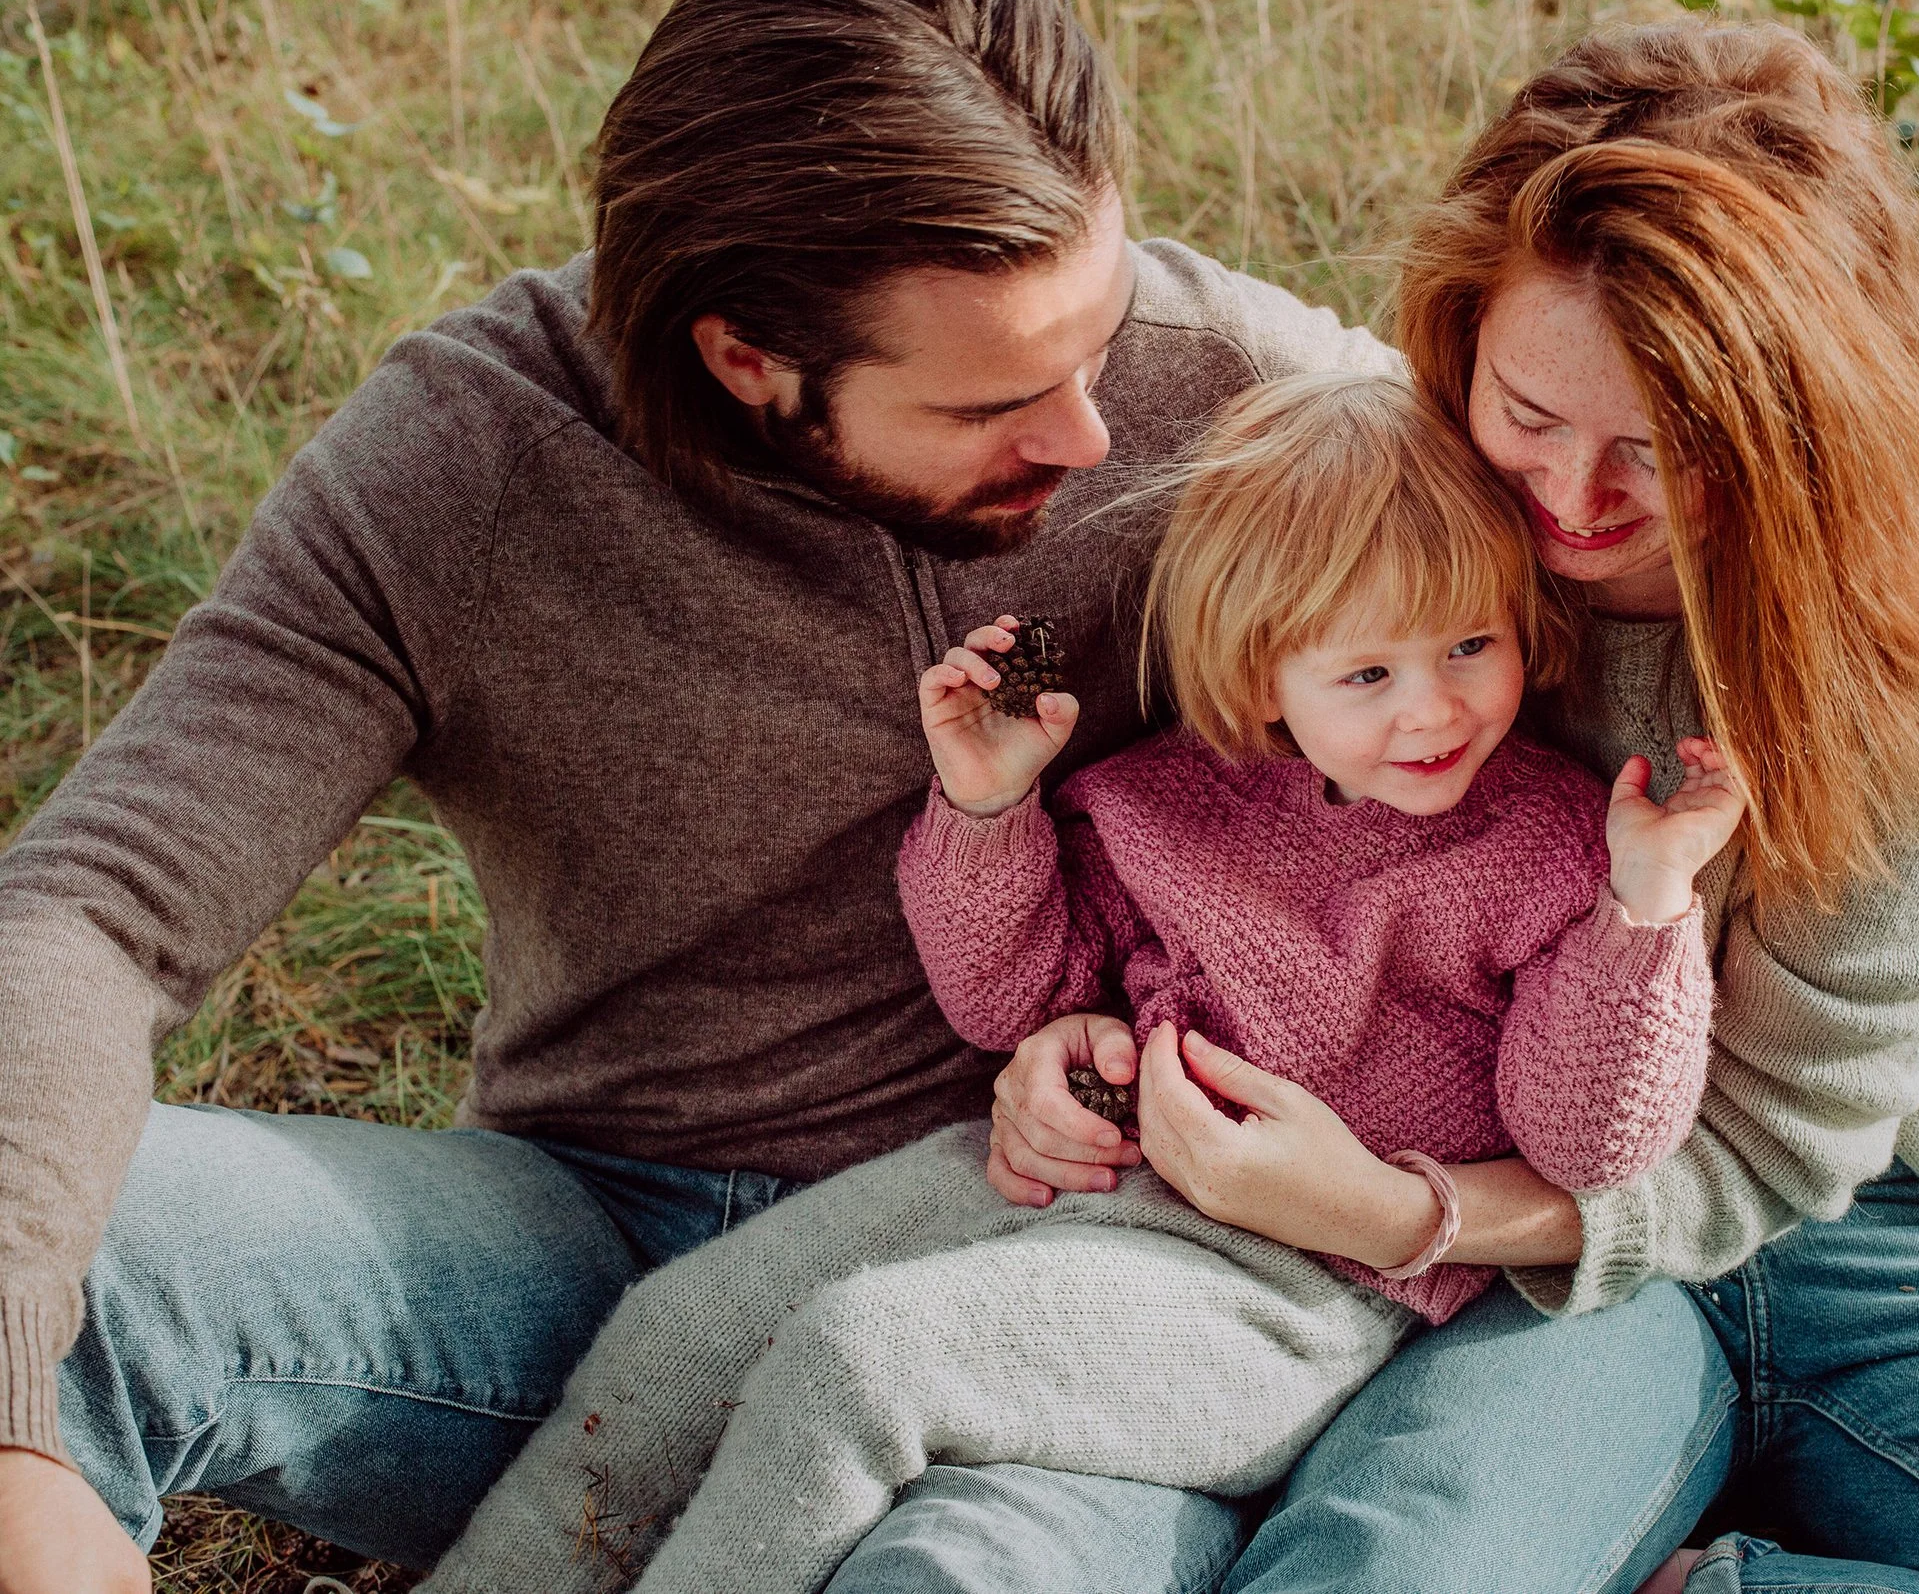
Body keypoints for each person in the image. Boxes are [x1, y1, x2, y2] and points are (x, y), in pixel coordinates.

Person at [0, 0, 1919, 1593]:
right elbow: (90, 904)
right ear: (749, 360)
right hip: (583, 1236)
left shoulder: (1220, 389)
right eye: (1001, 396)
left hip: (1107, 1241)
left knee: (960, 1555)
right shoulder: (455, 474)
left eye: (1099, 331)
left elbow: (1674, 429)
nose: (1096, 433)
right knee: (85, 1268)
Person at [980, 24, 1919, 1593]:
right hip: (1522, 1248)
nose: (1571, 500)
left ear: (1805, 423)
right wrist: (1087, 1038)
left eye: (1663, 446)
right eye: (1529, 413)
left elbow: (1774, 1142)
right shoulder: (1403, 502)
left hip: (1882, 1213)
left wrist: (1399, 1209)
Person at [417, 372, 1741, 1593]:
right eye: (1368, 671)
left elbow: (1589, 1142)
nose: (1433, 708)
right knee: (684, 1330)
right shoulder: (1177, 801)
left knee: (860, 1361)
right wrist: (989, 808)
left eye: (1471, 646)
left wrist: (1648, 902)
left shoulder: (1552, 846)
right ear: (1263, 672)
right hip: (1056, 1183)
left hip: (1289, 1289)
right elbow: (1012, 999)